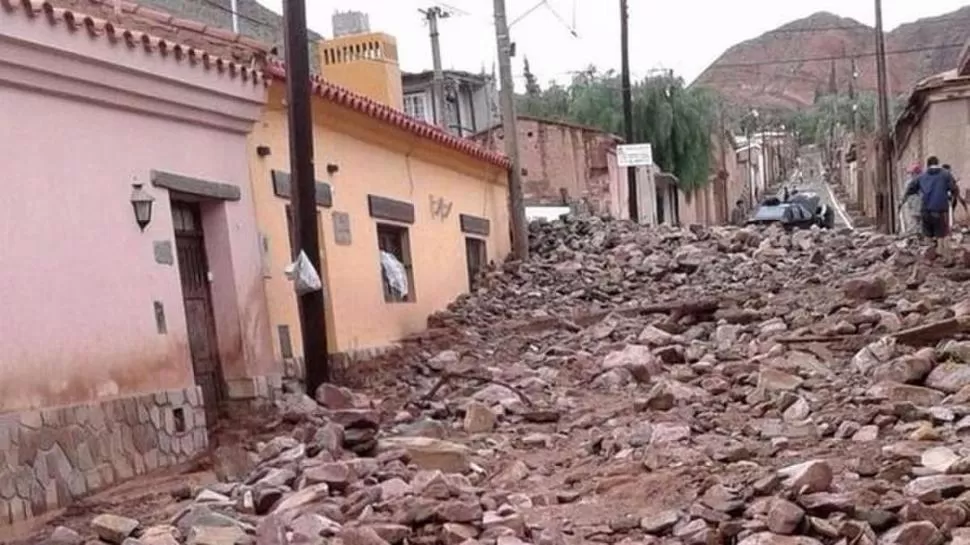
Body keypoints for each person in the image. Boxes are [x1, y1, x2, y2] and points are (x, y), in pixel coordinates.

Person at [899, 156, 960, 256]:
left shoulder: (921, 176)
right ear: (938, 163)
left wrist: (903, 201)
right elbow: (954, 189)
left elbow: (910, 189)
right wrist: (952, 200)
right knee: (941, 234)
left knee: (927, 234)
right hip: (940, 210)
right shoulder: (946, 175)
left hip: (925, 210)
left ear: (927, 165)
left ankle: (929, 259)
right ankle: (942, 257)